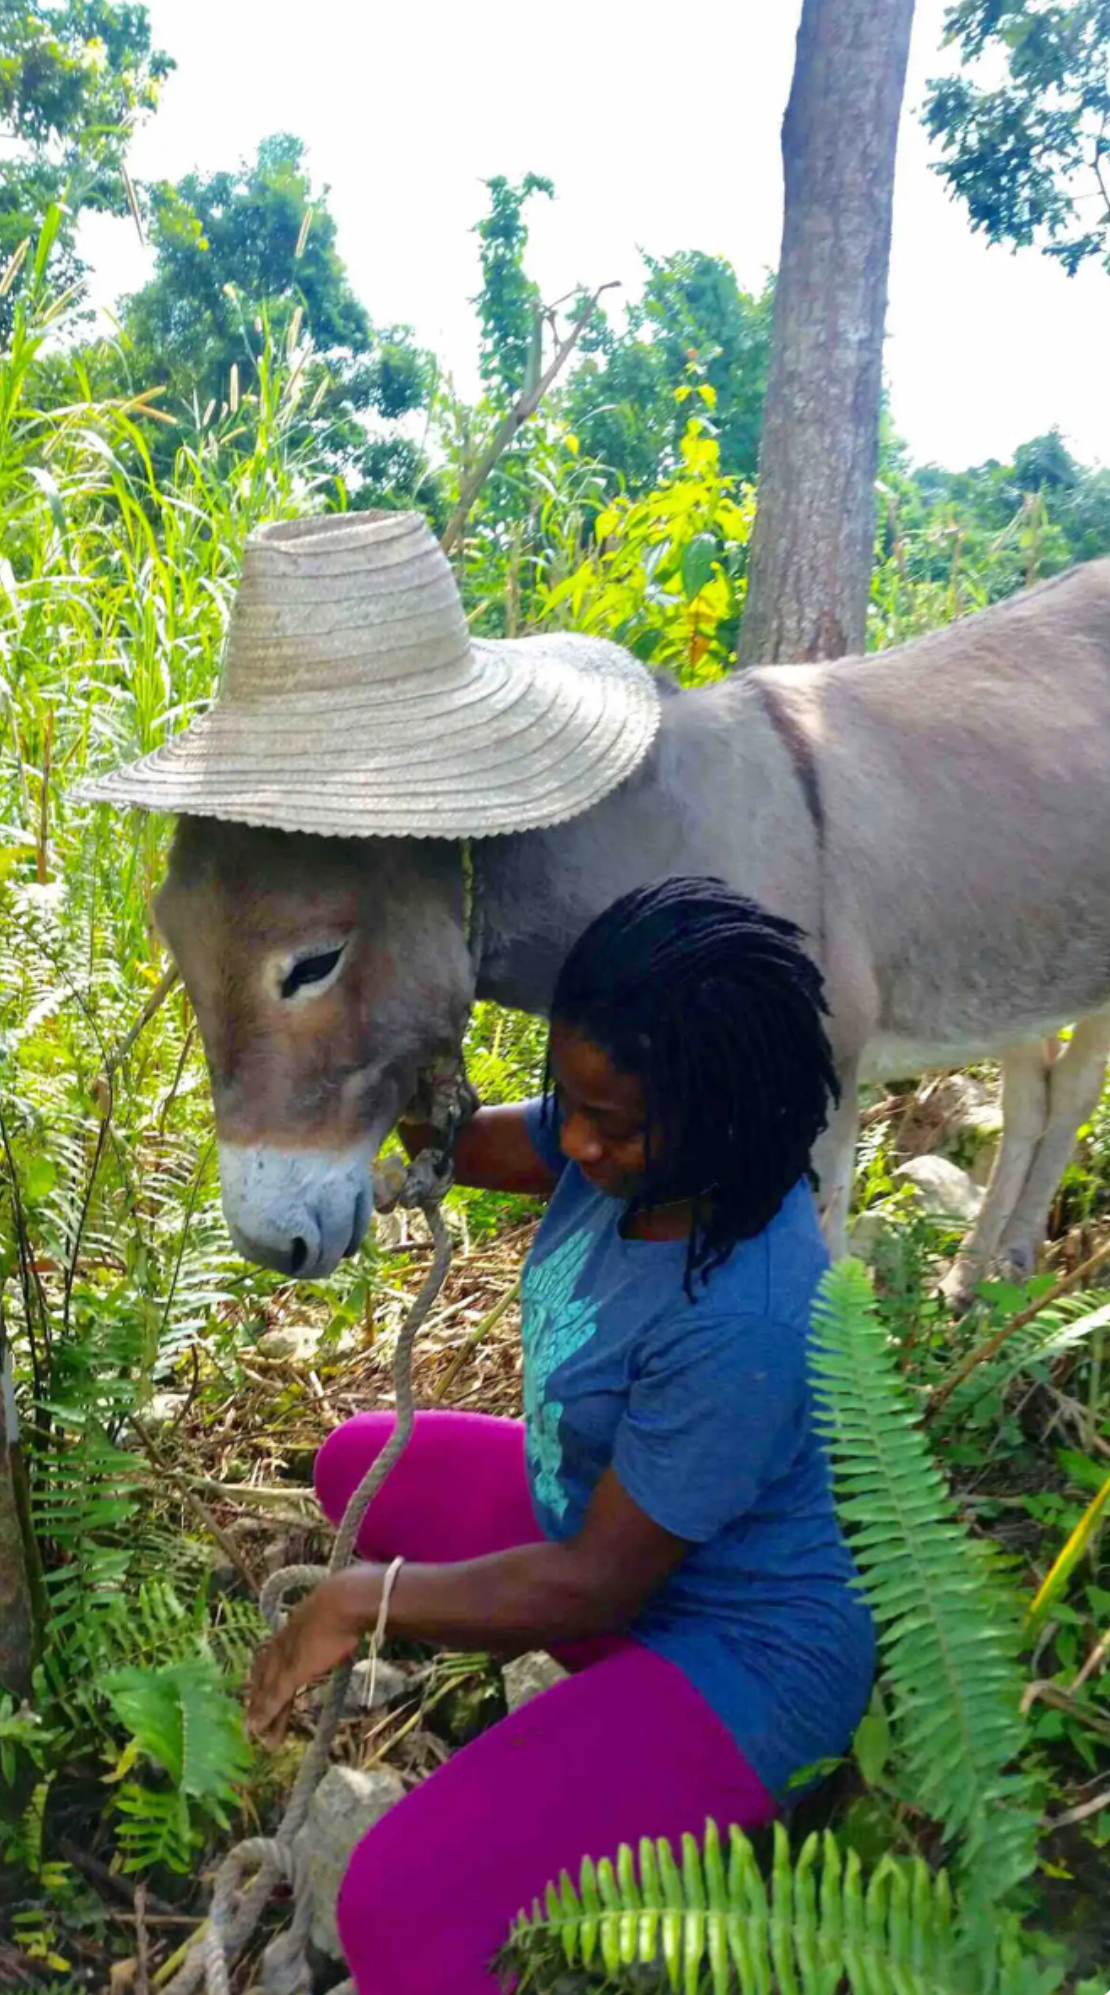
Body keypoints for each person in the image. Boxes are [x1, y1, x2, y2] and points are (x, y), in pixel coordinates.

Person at [247, 877, 876, 1995]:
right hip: (611, 1530)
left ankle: (685, 1765)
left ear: (723, 1114)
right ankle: (607, 1734)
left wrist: (363, 1603)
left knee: (395, 1909)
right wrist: (385, 1053)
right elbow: (488, 1142)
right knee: (357, 1468)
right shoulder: (637, 1140)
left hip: (739, 1658)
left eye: (610, 1124)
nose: (576, 1141)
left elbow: (596, 1587)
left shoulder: (747, 1311)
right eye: (566, 1098)